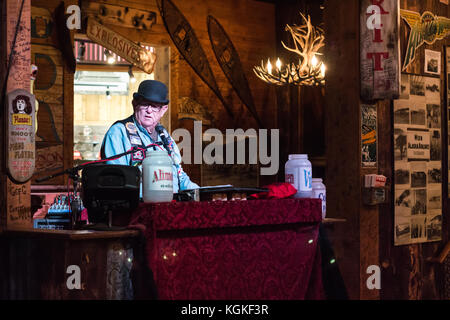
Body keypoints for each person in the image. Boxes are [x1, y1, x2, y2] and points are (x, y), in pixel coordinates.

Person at [100, 80, 199, 193]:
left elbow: (180, 176)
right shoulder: (119, 132)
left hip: (170, 207)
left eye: (155, 106)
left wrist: (203, 193)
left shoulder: (165, 136)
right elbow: (115, 179)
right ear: (134, 104)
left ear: (163, 110)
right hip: (138, 208)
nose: (149, 110)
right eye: (145, 104)